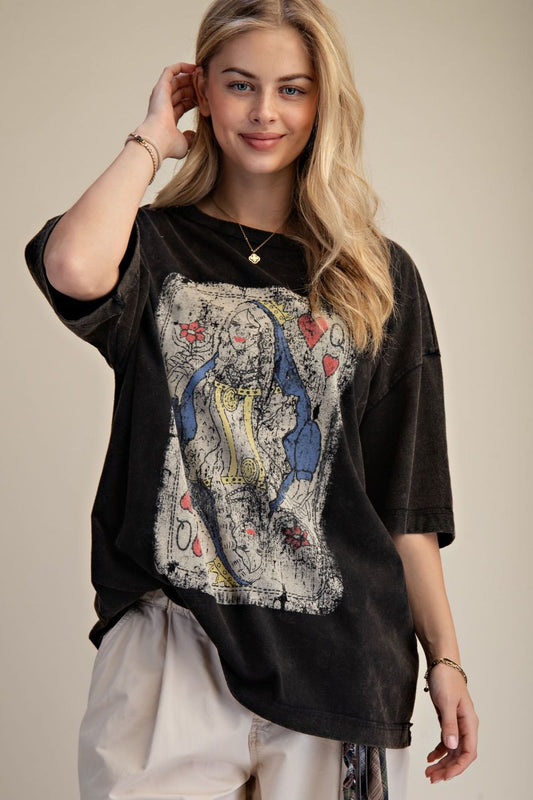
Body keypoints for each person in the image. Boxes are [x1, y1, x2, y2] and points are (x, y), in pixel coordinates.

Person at [25, 0, 478, 798]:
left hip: (339, 661)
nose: (265, 111)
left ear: (322, 101)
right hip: (173, 641)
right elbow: (74, 269)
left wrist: (444, 659)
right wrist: (151, 140)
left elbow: (404, 497)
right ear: (201, 91)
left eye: (292, 89)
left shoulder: (375, 275)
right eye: (239, 85)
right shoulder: (150, 245)